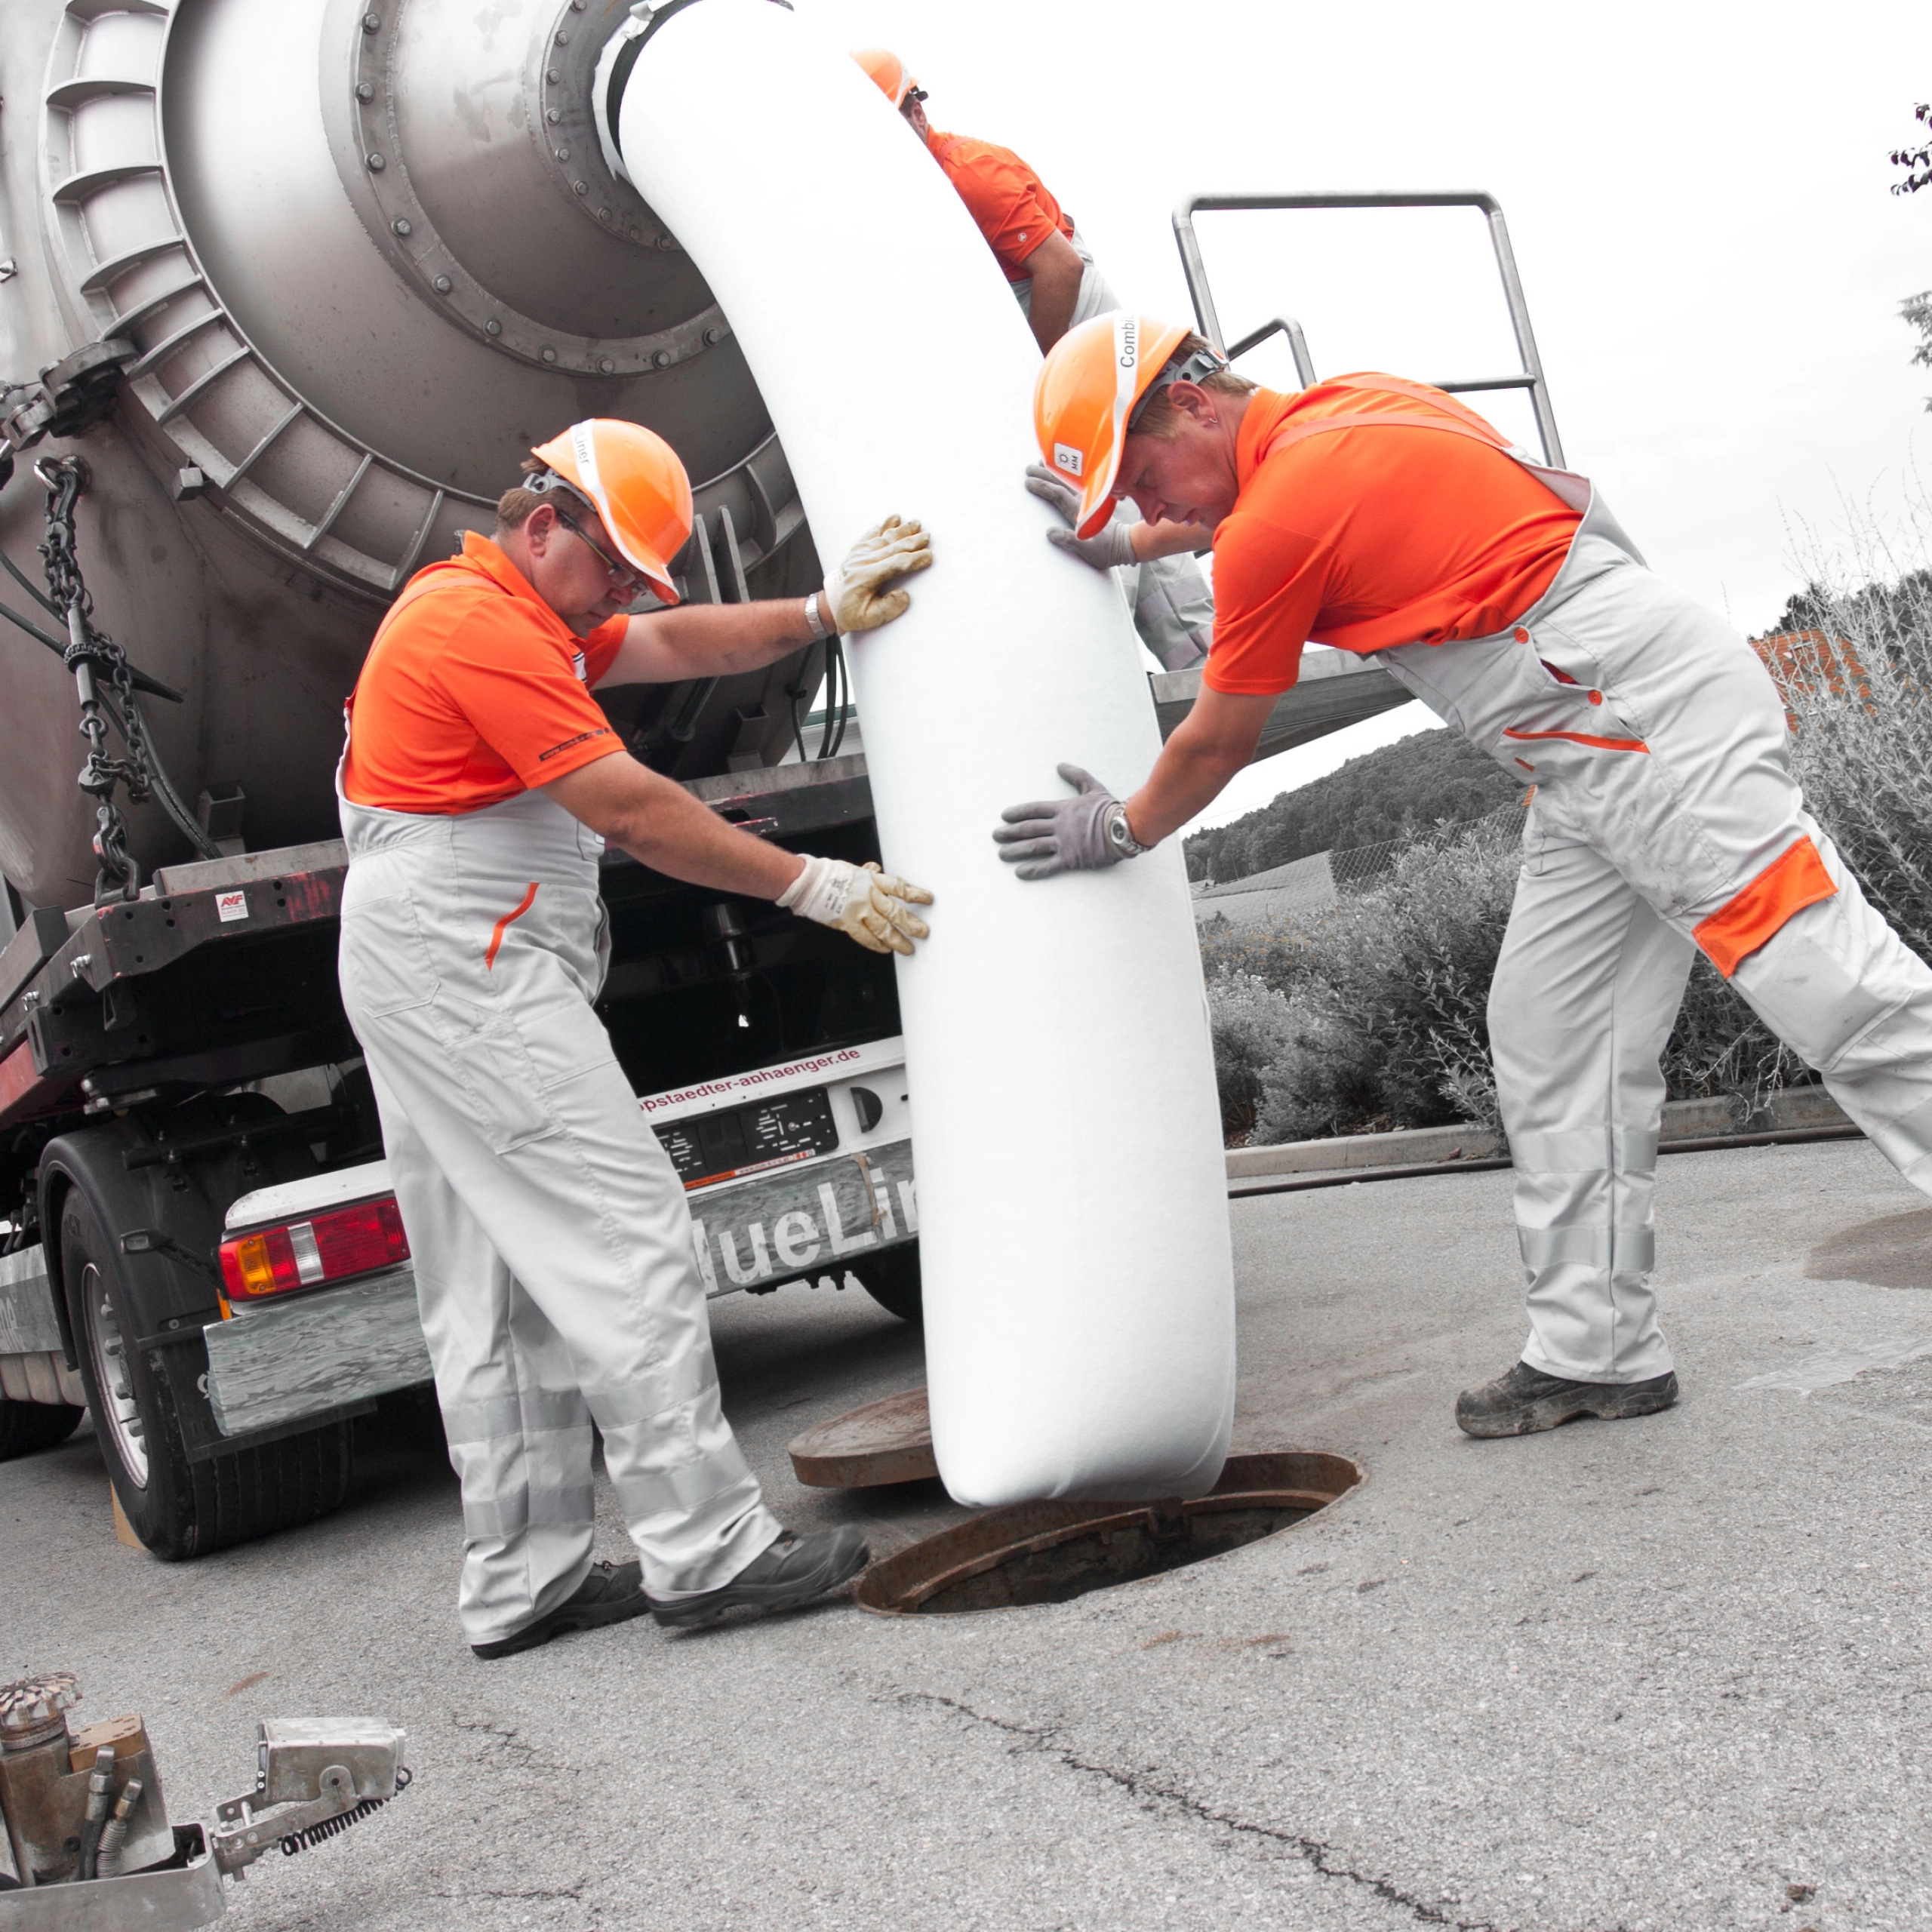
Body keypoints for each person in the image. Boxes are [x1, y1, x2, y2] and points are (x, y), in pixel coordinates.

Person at [996, 312, 1932, 1440]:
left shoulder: (1275, 521)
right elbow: (1277, 506)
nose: (1155, 511)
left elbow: (1214, 741)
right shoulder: (1355, 403)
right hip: (1601, 726)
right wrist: (1137, 546)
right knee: (1553, 1042)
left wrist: (1124, 826)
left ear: (1194, 402)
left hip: (1626, 722)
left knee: (1833, 984)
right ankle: (1598, 1348)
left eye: (1144, 481)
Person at [337, 417, 933, 1654]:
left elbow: (666, 642)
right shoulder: (478, 626)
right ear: (544, 521)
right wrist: (813, 887)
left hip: (422, 955)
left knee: (498, 1293)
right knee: (625, 1232)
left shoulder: (512, 608)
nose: (623, 597)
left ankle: (524, 1579)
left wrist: (819, 611)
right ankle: (706, 1551)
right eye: (613, 566)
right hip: (466, 958)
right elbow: (631, 809)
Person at [851, 48, 1214, 672]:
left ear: (915, 109)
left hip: (1073, 326)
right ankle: (1194, 659)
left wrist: (1036, 378)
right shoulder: (916, 188)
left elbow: (1060, 269)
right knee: (1116, 482)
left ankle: (1156, 662)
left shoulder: (969, 173)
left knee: (1094, 481)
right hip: (1055, 333)